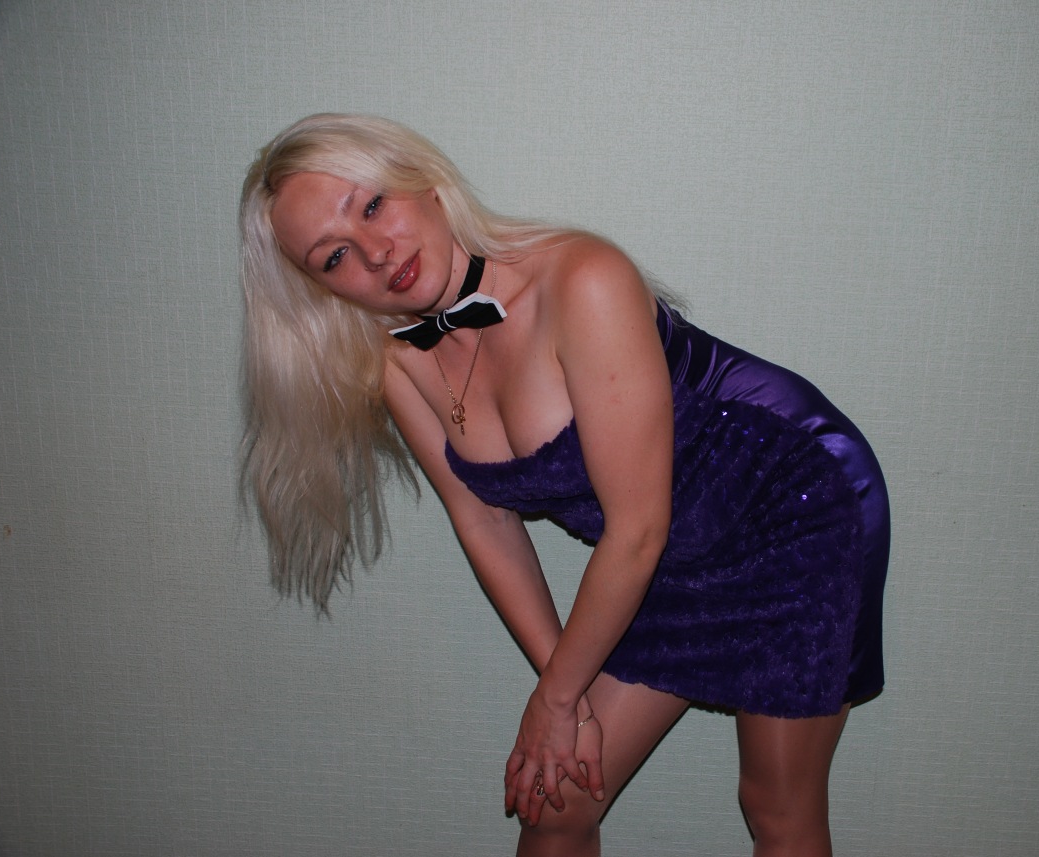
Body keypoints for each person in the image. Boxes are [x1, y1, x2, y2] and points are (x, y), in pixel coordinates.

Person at [239, 113, 890, 857]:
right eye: (335, 257)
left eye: (373, 205)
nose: (377, 253)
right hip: (656, 553)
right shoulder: (395, 361)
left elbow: (637, 528)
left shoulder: (583, 278)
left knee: (775, 803)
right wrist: (563, 694)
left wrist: (554, 699)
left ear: (422, 180)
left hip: (791, 508)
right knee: (556, 807)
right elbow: (484, 521)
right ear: (320, 288)